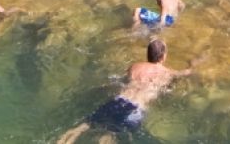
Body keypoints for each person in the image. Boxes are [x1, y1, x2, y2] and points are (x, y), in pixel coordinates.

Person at [55, 39, 192, 144]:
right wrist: (196, 63)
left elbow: (123, 80)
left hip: (119, 100)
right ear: (163, 56)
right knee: (110, 135)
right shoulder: (167, 73)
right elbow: (187, 73)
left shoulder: (135, 66)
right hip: (135, 109)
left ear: (148, 54)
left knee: (85, 125)